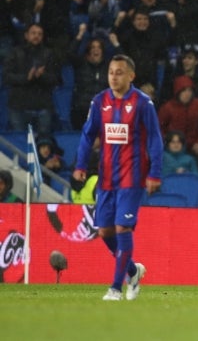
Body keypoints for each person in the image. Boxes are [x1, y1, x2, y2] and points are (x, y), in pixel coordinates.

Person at [73, 54, 163, 301]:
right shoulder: (100, 101)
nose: (114, 76)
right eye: (111, 72)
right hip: (106, 180)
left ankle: (115, 288)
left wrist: (154, 172)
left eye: (119, 72)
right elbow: (87, 135)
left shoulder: (143, 103)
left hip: (132, 178)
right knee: (104, 231)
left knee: (123, 227)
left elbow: (155, 139)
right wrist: (80, 163)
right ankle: (133, 271)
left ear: (131, 76)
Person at [2, 23, 59, 135]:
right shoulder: (15, 53)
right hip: (19, 106)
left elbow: (56, 79)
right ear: (26, 35)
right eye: (33, 33)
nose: (36, 36)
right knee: (20, 144)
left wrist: (42, 76)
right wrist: (26, 78)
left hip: (42, 106)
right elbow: (6, 77)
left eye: (39, 34)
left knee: (43, 145)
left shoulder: (49, 54)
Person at [158, 75, 198, 173]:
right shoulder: (167, 108)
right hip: (172, 148)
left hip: (193, 147)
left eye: (190, 91)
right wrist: (169, 143)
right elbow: (159, 127)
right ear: (178, 92)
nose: (187, 94)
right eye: (184, 91)